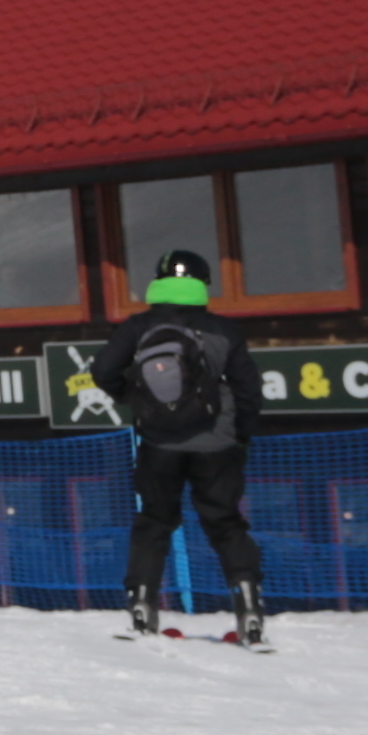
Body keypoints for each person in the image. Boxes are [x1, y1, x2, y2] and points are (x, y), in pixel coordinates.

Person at [88, 247, 269, 642]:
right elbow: (248, 390)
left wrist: (137, 400)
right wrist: (241, 435)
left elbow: (103, 371)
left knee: (154, 522)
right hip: (218, 444)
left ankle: (140, 606)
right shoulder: (224, 330)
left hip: (158, 442)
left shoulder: (137, 327)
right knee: (225, 523)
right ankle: (249, 608)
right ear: (203, 283)